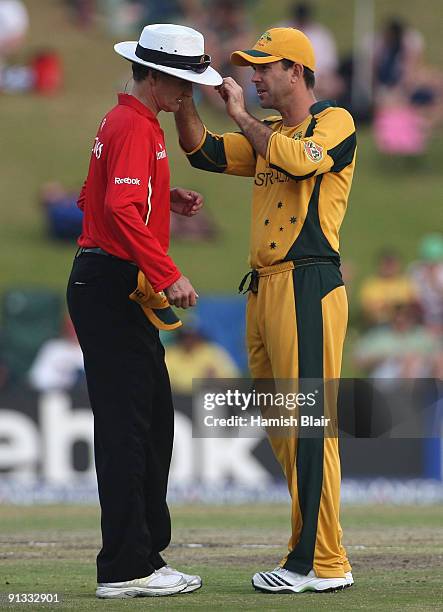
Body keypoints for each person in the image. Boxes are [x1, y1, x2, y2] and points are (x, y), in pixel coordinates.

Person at [175, 27, 356, 594]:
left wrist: (239, 115)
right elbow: (201, 151)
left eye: (263, 67)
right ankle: (319, 552)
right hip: (266, 287)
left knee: (307, 425)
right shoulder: (271, 134)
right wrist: (186, 93)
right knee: (284, 426)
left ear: (296, 72)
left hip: (307, 283)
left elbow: (300, 163)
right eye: (251, 69)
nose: (253, 77)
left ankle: (318, 563)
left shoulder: (335, 121)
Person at [66, 23, 222, 599]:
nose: (190, 93)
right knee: (132, 429)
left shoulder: (126, 122)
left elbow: (96, 198)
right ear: (157, 77)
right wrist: (167, 271)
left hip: (106, 282)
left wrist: (163, 197)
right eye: (183, 82)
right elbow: (116, 206)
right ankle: (128, 567)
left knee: (148, 423)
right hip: (114, 286)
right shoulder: (135, 125)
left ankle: (141, 558)